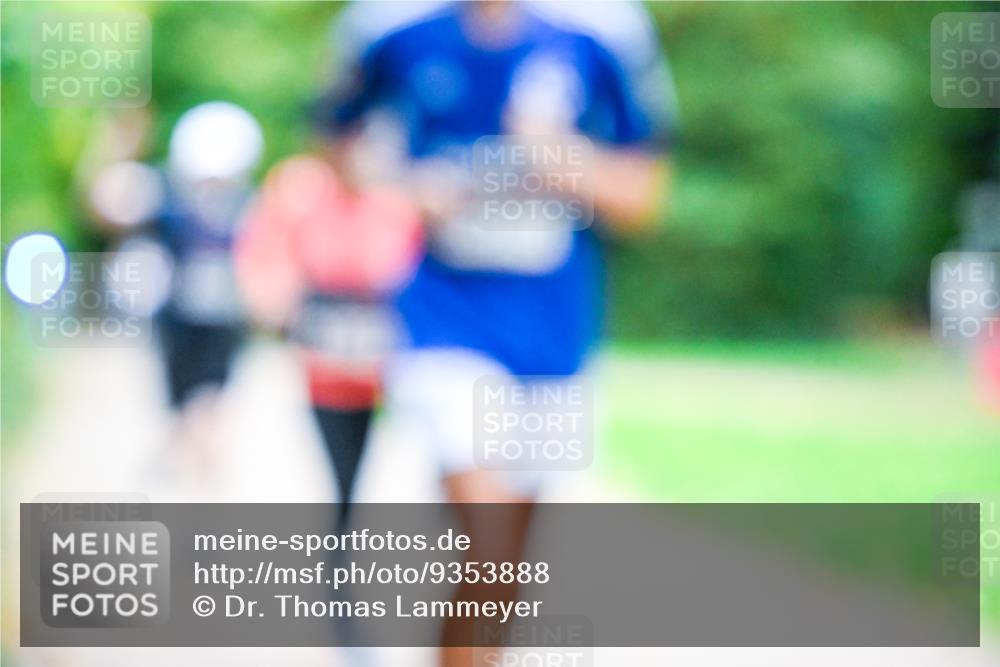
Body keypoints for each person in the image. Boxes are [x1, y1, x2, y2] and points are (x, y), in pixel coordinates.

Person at [319, 1, 676, 665]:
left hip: (554, 332)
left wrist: (557, 158)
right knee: (487, 536)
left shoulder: (606, 27)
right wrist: (399, 186)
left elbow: (646, 196)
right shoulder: (387, 23)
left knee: (506, 564)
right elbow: (333, 148)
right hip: (441, 317)